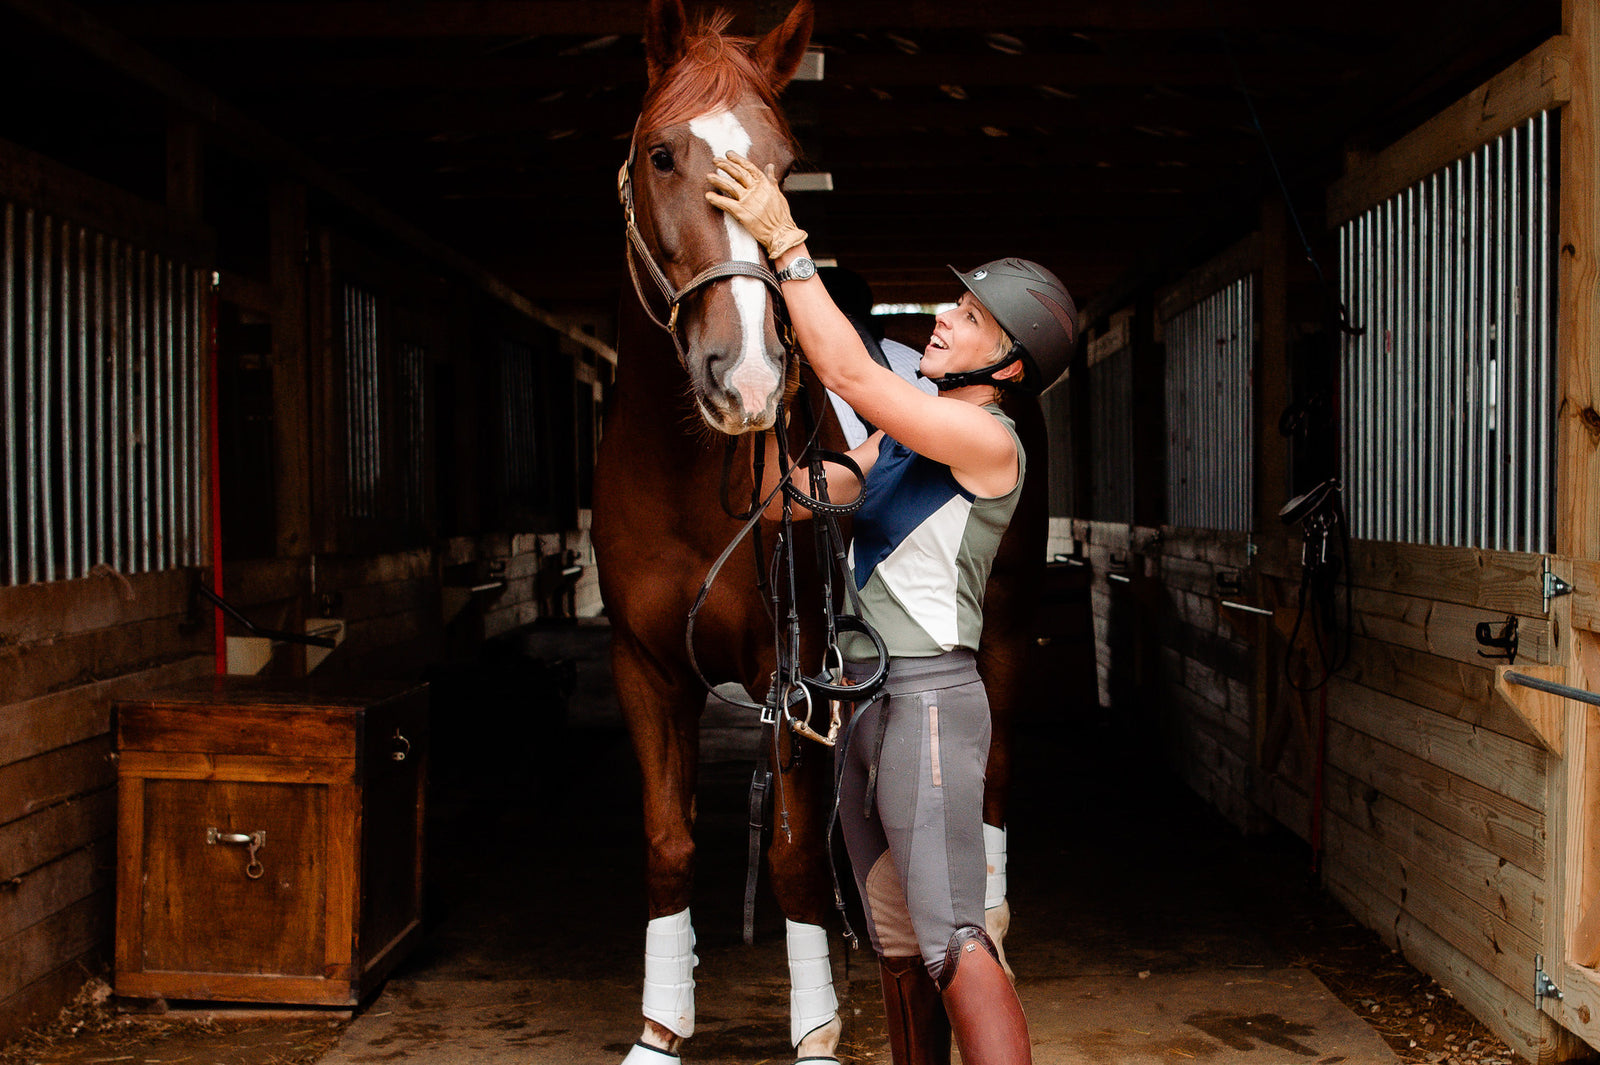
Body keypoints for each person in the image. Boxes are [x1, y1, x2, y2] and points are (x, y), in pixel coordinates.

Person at [707, 151, 1078, 1065]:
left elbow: (853, 368)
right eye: (957, 304)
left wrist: (783, 242)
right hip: (864, 701)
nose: (942, 316)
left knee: (954, 935)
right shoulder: (907, 433)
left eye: (971, 315)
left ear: (1012, 363)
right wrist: (756, 412)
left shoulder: (988, 440)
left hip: (930, 702)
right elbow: (820, 487)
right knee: (897, 937)